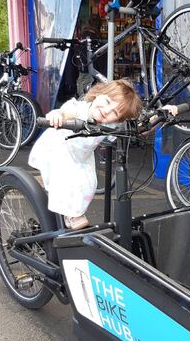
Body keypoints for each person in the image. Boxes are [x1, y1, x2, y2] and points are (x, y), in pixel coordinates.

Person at [28, 79, 177, 229]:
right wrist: (57, 116)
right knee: (72, 181)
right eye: (106, 101)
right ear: (99, 93)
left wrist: (160, 116)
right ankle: (72, 216)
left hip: (81, 158)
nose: (106, 110)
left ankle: (67, 215)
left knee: (89, 183)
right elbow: (64, 112)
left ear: (118, 119)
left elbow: (140, 129)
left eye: (114, 112)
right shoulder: (80, 109)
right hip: (57, 150)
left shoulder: (110, 124)